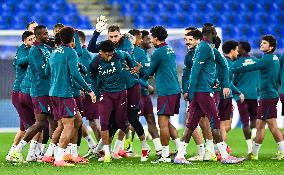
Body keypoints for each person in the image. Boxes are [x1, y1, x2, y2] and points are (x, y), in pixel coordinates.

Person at [46, 27, 96, 166]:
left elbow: (46, 72)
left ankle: (51, 154)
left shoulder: (54, 52)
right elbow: (75, 74)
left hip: (54, 92)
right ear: (73, 39)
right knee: (69, 125)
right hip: (64, 93)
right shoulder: (71, 53)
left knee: (76, 121)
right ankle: (60, 158)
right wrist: (88, 90)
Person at [231, 35, 284, 160]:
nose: (261, 44)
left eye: (264, 43)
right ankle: (254, 154)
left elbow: (252, 66)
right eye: (261, 42)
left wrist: (232, 70)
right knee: (260, 125)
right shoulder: (274, 58)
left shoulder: (267, 59)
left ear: (271, 47)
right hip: (267, 96)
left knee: (272, 126)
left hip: (268, 97)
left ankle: (282, 151)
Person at [141, 26, 181, 163]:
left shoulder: (158, 53)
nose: (150, 39)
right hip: (174, 89)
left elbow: (148, 73)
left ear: (156, 39)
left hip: (166, 91)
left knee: (162, 123)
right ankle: (180, 149)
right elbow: (156, 69)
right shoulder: (169, 49)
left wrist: (138, 73)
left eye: (151, 37)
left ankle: (164, 155)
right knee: (167, 122)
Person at [6, 31, 36, 161]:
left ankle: (13, 153)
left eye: (34, 38)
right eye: (30, 39)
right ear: (24, 41)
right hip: (19, 92)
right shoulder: (24, 50)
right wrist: (34, 53)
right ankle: (27, 154)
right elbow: (18, 62)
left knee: (25, 126)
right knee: (31, 125)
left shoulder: (28, 49)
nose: (33, 41)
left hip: (27, 91)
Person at [233, 41, 258, 154]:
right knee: (254, 118)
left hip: (241, 95)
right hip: (253, 93)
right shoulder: (256, 61)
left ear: (243, 50)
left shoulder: (237, 63)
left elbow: (233, 81)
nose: (237, 50)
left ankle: (249, 149)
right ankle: (254, 132)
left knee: (245, 121)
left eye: (239, 48)